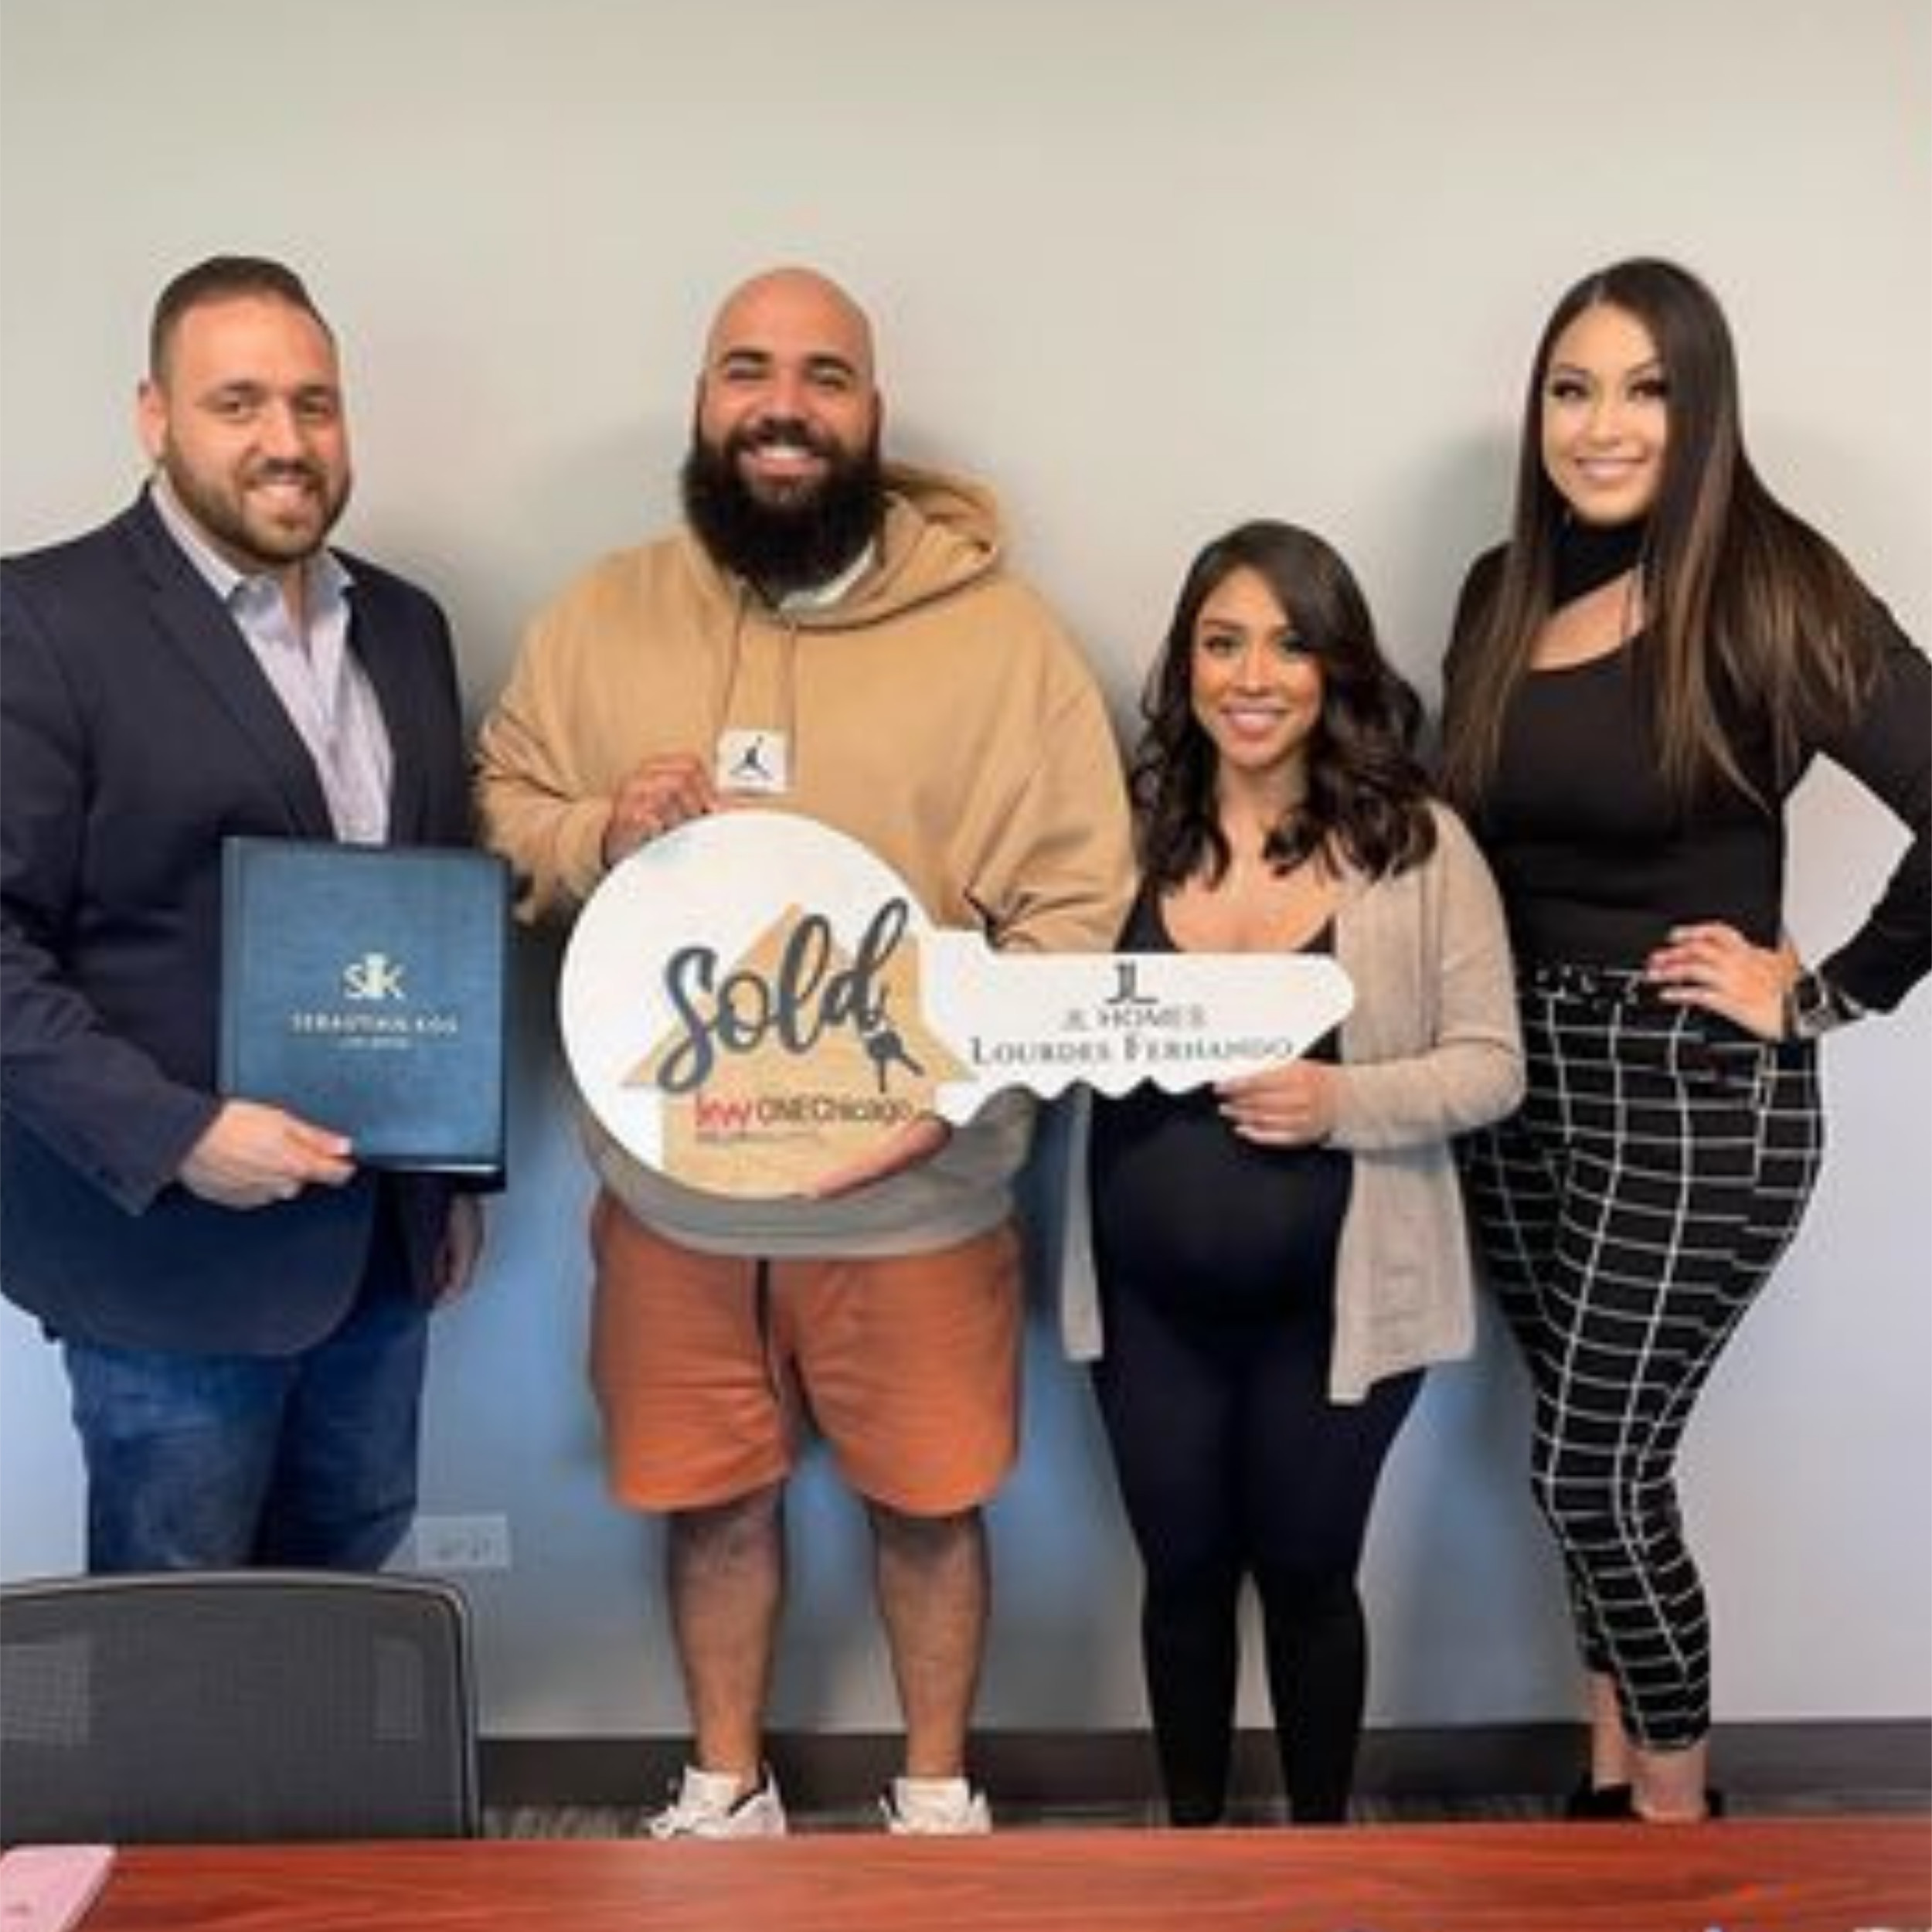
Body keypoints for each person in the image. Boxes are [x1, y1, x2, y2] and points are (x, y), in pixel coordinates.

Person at [474, 265, 1133, 1838]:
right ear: (702, 403)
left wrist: (948, 1094)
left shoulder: (1002, 641)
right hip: (676, 1198)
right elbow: (500, 804)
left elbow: (1074, 908)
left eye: (823, 375)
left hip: (916, 1197)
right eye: (747, 370)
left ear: (871, 415)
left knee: (930, 1501)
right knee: (708, 1501)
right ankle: (725, 1783)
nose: (783, 404)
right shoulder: (600, 615)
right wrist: (595, 826)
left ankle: (932, 1789)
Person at [1440, 257, 1932, 1823]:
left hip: (1690, 1092)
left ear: (1699, 403)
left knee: (1586, 1472)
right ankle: (1604, 1798)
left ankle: (1674, 1841)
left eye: (1642, 388)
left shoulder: (1773, 588)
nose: (1599, 425)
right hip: (1516, 1082)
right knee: (1595, 1479)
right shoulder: (1495, 590)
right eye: (1569, 387)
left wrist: (1826, 986)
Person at [0, 255, 483, 1572]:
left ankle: (331, 1799)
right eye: (240, 403)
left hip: (378, 1254)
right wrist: (182, 1133)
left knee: (347, 1593)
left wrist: (446, 1178)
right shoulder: (40, 623)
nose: (286, 441)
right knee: (183, 1642)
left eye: (315, 404)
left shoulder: (407, 627)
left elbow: (431, 910)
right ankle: (156, 1799)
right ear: (155, 417)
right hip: (167, 1256)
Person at [1060, 520, 1523, 1825]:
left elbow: (1493, 1066)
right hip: (1147, 1309)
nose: (1251, 676)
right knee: (1183, 1576)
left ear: (1335, 669)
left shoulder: (1417, 850)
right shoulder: (1123, 838)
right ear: (1186, 667)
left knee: (1312, 1573)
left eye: (1288, 642)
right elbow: (1034, 1014)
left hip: (1342, 1306)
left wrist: (1340, 1099)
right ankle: (1195, 1861)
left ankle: (1324, 1866)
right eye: (1221, 643)